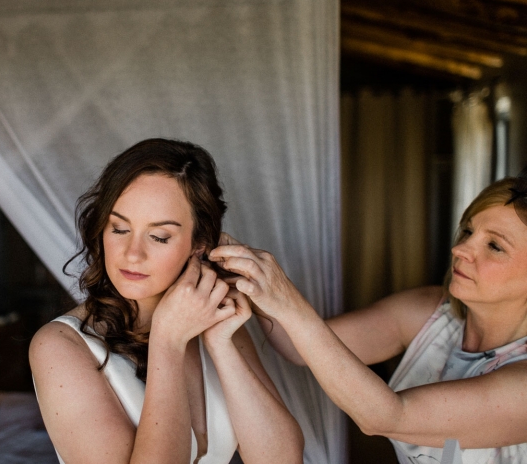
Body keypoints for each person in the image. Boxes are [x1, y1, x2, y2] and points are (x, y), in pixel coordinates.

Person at [209, 172, 527, 463]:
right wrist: (246, 274)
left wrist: (285, 298)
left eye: (495, 246)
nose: (461, 249)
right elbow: (297, 347)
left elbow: (386, 417)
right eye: (469, 230)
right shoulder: (432, 311)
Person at [29, 138, 303, 464]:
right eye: (118, 228)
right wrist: (167, 343)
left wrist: (220, 343)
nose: (132, 254)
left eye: (159, 236)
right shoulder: (60, 346)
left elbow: (282, 459)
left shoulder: (213, 317)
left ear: (198, 243)